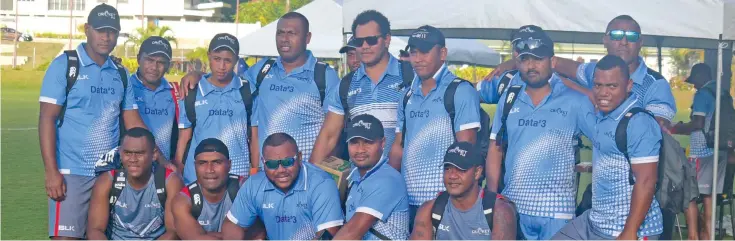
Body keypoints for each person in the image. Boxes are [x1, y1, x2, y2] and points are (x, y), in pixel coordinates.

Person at [38, 4, 148, 239]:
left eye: (112, 32)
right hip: (71, 173)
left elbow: (132, 120)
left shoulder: (120, 73)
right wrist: (51, 171)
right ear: (87, 29)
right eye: (100, 30)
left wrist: (157, 155)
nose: (106, 37)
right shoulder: (65, 66)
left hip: (109, 174)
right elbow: (47, 118)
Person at [179, 12, 340, 168]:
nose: (284, 39)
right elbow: (226, 79)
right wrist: (198, 74)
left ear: (307, 38)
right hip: (267, 174)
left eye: (292, 33)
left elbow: (331, 135)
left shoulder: (324, 75)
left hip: (304, 172)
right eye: (280, 33)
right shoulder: (263, 70)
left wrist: (311, 174)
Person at [485, 26, 596, 240]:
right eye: (525, 59)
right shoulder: (509, 98)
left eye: (538, 59)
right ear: (518, 63)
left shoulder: (576, 101)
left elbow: (603, 143)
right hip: (512, 207)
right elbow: (495, 147)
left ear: (552, 62)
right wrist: (492, 196)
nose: (531, 66)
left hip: (556, 212)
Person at [490, 15, 677, 129]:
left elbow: (654, 128)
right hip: (601, 180)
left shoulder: (655, 84)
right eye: (616, 35)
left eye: (631, 36)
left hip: (639, 178)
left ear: (640, 42)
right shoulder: (595, 71)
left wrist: (587, 94)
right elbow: (560, 64)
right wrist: (516, 61)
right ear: (605, 40)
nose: (624, 42)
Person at [551, 55, 663, 240]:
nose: (603, 92)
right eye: (598, 85)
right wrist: (558, 79)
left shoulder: (638, 122)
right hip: (594, 222)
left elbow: (646, 181)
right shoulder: (605, 115)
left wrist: (630, 231)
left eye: (612, 86)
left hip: (630, 229)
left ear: (628, 85)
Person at [390, 25, 481, 226]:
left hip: (444, 201)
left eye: (425, 51)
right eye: (413, 52)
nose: (418, 58)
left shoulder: (461, 90)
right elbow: (398, 146)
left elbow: (466, 152)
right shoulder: (406, 96)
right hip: (407, 201)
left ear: (442, 53)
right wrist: (387, 187)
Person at [310, 10, 411, 165]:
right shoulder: (345, 85)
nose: (364, 46)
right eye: (358, 42)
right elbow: (329, 137)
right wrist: (311, 179)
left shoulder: (411, 76)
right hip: (360, 182)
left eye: (371, 40)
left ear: (387, 40)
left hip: (405, 180)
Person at [222, 133, 344, 240]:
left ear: (300, 158)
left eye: (287, 162)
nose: (281, 170)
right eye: (272, 164)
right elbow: (232, 224)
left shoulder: (321, 184)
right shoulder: (254, 185)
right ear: (263, 163)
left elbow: (329, 235)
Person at [174, 33, 254, 184]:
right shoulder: (192, 90)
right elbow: (184, 136)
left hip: (236, 175)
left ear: (236, 60)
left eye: (228, 60)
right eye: (217, 59)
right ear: (209, 56)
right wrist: (179, 167)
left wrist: (255, 170)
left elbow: (254, 136)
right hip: (196, 176)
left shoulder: (248, 90)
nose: (222, 66)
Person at [87, 128, 183, 240]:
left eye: (140, 153)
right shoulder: (107, 181)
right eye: (127, 153)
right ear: (120, 154)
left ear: (153, 155)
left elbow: (173, 232)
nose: (133, 159)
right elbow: (95, 230)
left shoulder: (170, 181)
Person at [411, 142, 518, 240]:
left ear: (477, 172)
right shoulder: (429, 210)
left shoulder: (500, 211)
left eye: (461, 169)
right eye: (447, 168)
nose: (452, 175)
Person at [672, 63, 727, 240]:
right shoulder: (723, 93)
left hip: (702, 152)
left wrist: (676, 129)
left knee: (690, 194)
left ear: (701, 76)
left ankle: (693, 236)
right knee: (709, 196)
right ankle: (708, 235)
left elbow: (698, 123)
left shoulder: (703, 94)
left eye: (694, 80)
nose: (694, 85)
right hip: (720, 149)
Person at [333, 114, 410, 240]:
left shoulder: (387, 179)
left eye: (368, 142)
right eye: (354, 142)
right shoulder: (355, 178)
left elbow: (351, 233)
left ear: (383, 143)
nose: (360, 149)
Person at [131, 36, 178, 162]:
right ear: (138, 59)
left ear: (168, 65)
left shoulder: (176, 92)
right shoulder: (125, 87)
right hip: (129, 168)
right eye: (149, 60)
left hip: (162, 169)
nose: (154, 67)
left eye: (161, 62)